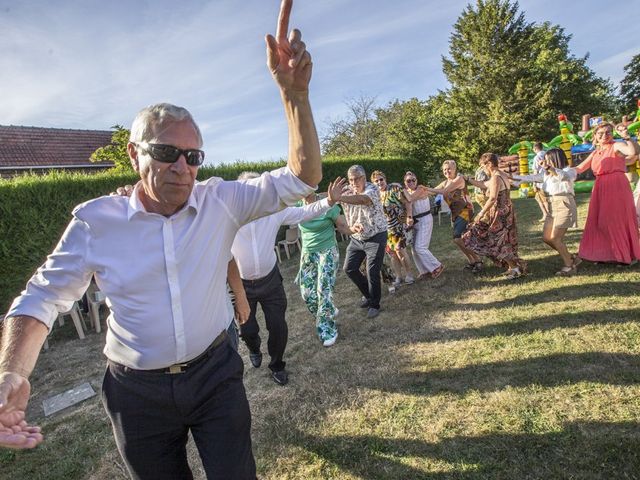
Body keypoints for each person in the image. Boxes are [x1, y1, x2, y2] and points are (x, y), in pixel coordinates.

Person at [0, 2, 321, 479]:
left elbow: (302, 178)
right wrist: (13, 373)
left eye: (193, 155)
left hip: (215, 374)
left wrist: (294, 96)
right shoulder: (97, 221)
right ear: (135, 155)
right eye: (167, 152)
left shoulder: (221, 201)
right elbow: (42, 298)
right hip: (136, 393)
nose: (183, 166)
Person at [231, 173, 344, 385]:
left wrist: (328, 201)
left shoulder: (274, 212)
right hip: (242, 285)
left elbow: (304, 212)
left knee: (278, 326)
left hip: (270, 281)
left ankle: (277, 365)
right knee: (247, 329)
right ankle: (253, 347)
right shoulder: (231, 217)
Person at [573, 122, 640, 264]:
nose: (605, 136)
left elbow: (633, 153)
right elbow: (579, 168)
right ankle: (603, 253)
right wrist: (556, 171)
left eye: (608, 132)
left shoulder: (616, 145)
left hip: (617, 186)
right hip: (600, 187)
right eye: (601, 133)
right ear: (595, 136)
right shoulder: (595, 153)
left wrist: (627, 137)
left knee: (616, 219)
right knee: (600, 221)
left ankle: (625, 255)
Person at [297, 183, 351, 347]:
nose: (303, 191)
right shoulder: (297, 207)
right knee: (306, 293)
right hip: (308, 253)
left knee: (323, 290)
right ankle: (327, 310)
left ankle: (327, 329)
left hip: (327, 251)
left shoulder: (327, 204)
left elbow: (341, 225)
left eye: (306, 187)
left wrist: (352, 230)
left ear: (313, 187)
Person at [512, 148, 579, 276]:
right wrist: (512, 176)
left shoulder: (569, 171)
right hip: (552, 206)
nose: (545, 163)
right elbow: (530, 177)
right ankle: (571, 257)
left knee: (555, 238)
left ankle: (570, 266)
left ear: (556, 159)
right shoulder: (546, 174)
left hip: (564, 204)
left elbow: (563, 177)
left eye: (548, 160)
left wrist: (550, 168)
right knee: (547, 238)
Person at [463, 153, 527, 279]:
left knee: (499, 241)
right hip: (505, 210)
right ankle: (512, 267)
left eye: (483, 166)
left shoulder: (497, 177)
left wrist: (480, 214)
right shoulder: (500, 174)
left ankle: (515, 268)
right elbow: (484, 185)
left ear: (489, 164)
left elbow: (492, 198)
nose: (483, 169)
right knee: (503, 240)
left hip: (500, 212)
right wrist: (468, 179)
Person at [340, 165, 388, 319]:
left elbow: (362, 200)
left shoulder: (372, 189)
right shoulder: (346, 190)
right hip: (357, 238)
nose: (353, 183)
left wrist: (338, 197)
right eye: (351, 179)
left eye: (357, 179)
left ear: (364, 178)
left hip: (376, 235)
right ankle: (369, 296)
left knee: (372, 271)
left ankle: (375, 304)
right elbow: (325, 198)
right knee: (349, 268)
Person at [427, 160, 481, 271]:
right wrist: (418, 191)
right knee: (461, 239)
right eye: (444, 169)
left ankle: (478, 260)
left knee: (457, 238)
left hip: (466, 211)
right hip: (456, 213)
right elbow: (433, 192)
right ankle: (472, 261)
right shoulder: (445, 182)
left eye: (449, 168)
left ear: (455, 169)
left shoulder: (458, 179)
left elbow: (444, 191)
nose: (447, 171)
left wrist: (426, 188)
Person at [370, 170, 415, 288]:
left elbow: (408, 202)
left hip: (398, 225)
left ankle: (409, 274)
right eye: (376, 181)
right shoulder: (374, 194)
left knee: (400, 250)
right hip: (384, 229)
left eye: (381, 179)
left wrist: (409, 216)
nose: (379, 182)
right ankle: (398, 276)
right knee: (392, 254)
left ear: (385, 179)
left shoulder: (394, 189)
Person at [402, 171, 444, 279]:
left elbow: (409, 199)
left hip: (425, 219)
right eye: (408, 181)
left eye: (413, 180)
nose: (411, 182)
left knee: (420, 247)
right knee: (414, 249)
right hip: (415, 222)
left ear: (416, 181)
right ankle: (424, 270)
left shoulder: (420, 189)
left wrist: (402, 193)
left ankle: (436, 266)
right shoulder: (406, 192)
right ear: (405, 182)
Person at [531, 142, 550, 222]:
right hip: (549, 179)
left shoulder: (537, 157)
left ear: (535, 149)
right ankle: (547, 214)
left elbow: (535, 171)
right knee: (544, 198)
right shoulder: (547, 155)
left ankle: (547, 215)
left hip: (540, 181)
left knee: (541, 199)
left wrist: (534, 183)